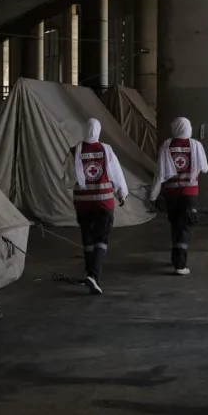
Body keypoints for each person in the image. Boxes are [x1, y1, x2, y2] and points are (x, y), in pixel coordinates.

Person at [71, 118, 128, 295]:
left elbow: (67, 176)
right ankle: (94, 276)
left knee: (88, 239)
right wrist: (122, 194)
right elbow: (117, 174)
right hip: (104, 203)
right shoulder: (106, 149)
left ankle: (90, 273)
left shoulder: (75, 151)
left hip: (83, 204)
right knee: (101, 239)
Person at [149, 117, 208, 275]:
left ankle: (176, 258)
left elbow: (160, 174)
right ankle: (180, 265)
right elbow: (205, 168)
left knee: (176, 224)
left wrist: (153, 196)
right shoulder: (196, 145)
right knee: (185, 227)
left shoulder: (167, 145)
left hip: (171, 195)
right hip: (189, 195)